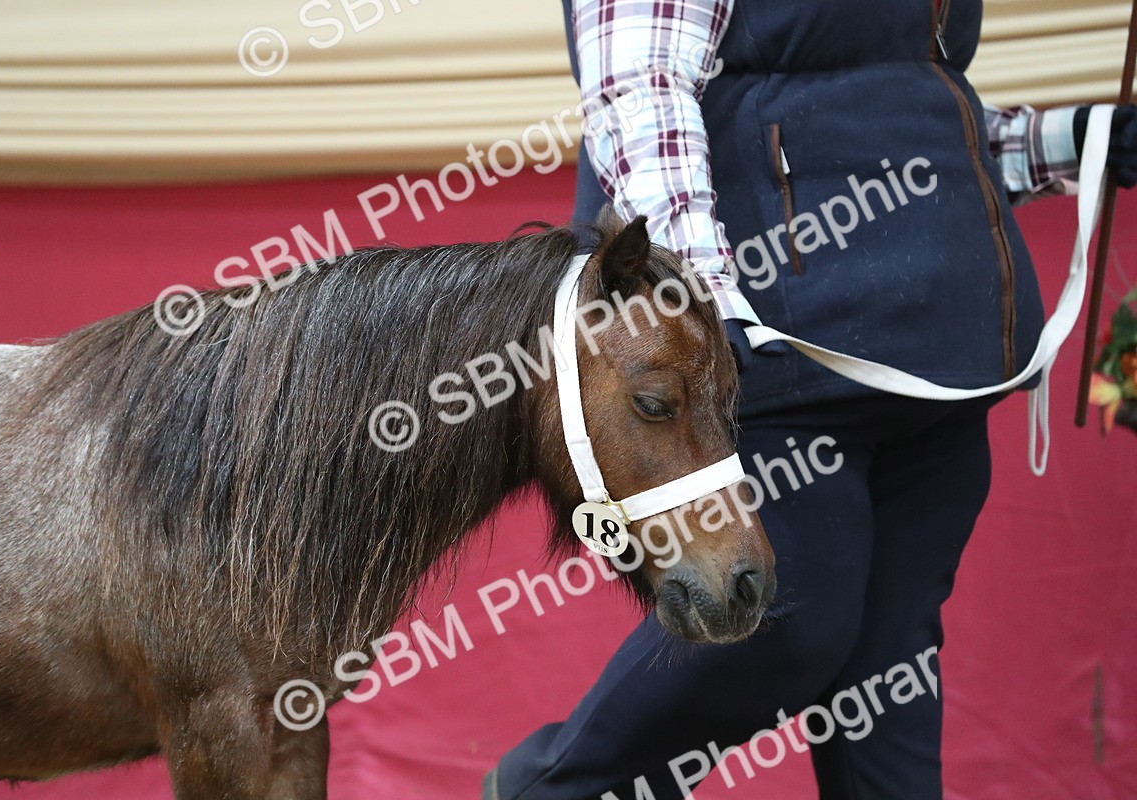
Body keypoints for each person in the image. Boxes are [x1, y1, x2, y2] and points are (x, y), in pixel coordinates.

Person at [484, 1, 1137, 798]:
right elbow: (638, 89)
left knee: (891, 675)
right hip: (765, 350)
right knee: (783, 627)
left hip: (935, 359)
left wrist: (1076, 139)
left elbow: (915, 114)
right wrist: (701, 305)